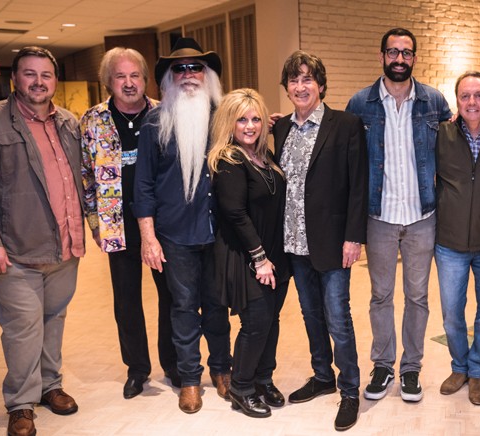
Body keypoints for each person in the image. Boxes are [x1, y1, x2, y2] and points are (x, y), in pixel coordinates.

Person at [0, 46, 83, 436]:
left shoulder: (68, 123)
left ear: (55, 81)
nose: (38, 82)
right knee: (23, 327)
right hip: (14, 250)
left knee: (53, 321)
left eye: (46, 74)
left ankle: (50, 385)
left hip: (64, 245)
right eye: (30, 74)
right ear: (15, 78)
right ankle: (21, 402)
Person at [345, 27, 452, 403]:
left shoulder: (434, 101)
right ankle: (383, 364)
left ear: (415, 59)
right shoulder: (360, 104)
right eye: (393, 52)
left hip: (423, 215)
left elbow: (454, 149)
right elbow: (349, 161)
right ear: (381, 57)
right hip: (380, 218)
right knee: (380, 296)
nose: (400, 59)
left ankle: (411, 368)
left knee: (418, 296)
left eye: (406, 53)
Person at [132, 37, 231, 414]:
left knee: (218, 306)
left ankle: (223, 370)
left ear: (208, 74)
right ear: (169, 77)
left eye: (196, 67)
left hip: (221, 232)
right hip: (175, 234)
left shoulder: (224, 116)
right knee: (184, 308)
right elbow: (142, 185)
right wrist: (148, 237)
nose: (189, 74)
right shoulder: (155, 122)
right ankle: (190, 379)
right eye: (181, 68)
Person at [272, 50, 368, 431]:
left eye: (307, 79)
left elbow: (359, 186)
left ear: (321, 85)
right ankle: (322, 376)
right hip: (293, 242)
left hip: (332, 241)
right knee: (310, 315)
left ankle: (349, 389)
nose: (300, 86)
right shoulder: (280, 130)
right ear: (287, 87)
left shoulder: (346, 124)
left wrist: (353, 237)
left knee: (338, 317)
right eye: (294, 80)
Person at [81, 47, 180, 399]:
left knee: (170, 295)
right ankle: (137, 369)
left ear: (145, 79)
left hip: (161, 224)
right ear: (109, 81)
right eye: (120, 76)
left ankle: (173, 363)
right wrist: (94, 221)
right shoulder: (93, 120)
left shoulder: (164, 114)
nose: (128, 83)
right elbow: (85, 177)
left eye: (134, 75)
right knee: (126, 300)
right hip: (116, 223)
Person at [208, 88, 289, 418]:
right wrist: (259, 258)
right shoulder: (229, 159)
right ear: (229, 122)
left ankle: (263, 378)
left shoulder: (263, 154)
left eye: (256, 118)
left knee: (271, 320)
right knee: (256, 322)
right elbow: (235, 214)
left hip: (275, 254)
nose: (250, 126)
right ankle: (241, 387)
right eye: (242, 119)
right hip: (246, 256)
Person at [434, 71, 480, 406]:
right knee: (452, 312)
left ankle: (478, 371)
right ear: (457, 101)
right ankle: (459, 366)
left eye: (479, 95)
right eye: (465, 96)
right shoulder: (442, 133)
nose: (472, 102)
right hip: (449, 241)